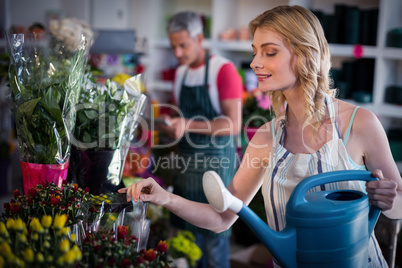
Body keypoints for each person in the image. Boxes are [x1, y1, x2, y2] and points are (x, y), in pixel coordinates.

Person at [119, 5, 402, 268]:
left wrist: (389, 200)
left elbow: (399, 206)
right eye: (255, 51)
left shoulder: (359, 124)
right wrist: (165, 199)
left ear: (304, 54)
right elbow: (222, 218)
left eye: (269, 52)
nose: (254, 63)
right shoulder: (266, 138)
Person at [150, 11, 243, 268]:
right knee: (188, 243)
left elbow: (233, 124)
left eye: (183, 45)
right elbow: (183, 118)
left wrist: (187, 124)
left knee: (214, 239)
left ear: (199, 38)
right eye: (173, 46)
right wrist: (171, 127)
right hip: (186, 165)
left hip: (215, 168)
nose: (178, 53)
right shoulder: (180, 74)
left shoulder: (223, 71)